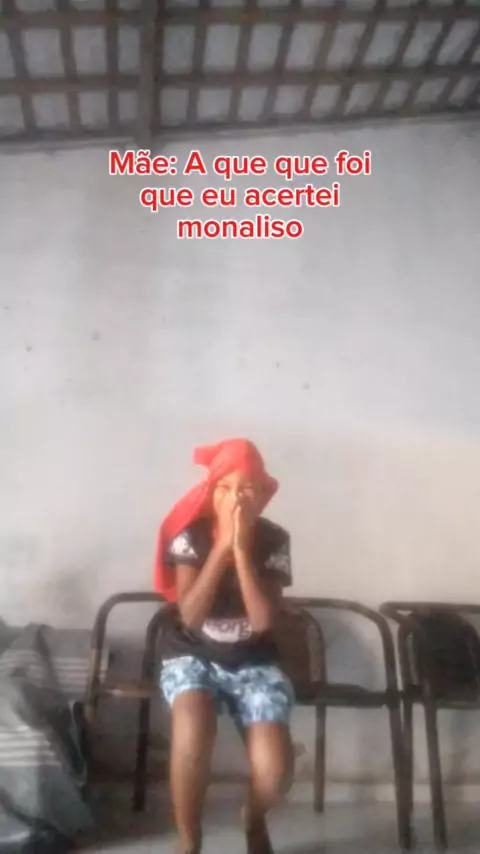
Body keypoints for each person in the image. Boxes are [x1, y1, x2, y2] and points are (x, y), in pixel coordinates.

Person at [154, 439, 294, 854]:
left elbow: (263, 621)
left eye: (248, 488)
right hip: (192, 654)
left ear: (263, 496)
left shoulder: (274, 540)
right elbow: (191, 615)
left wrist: (242, 552)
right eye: (226, 487)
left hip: (254, 660)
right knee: (193, 728)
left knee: (276, 774)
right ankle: (189, 839)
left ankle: (252, 816)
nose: (237, 498)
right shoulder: (191, 536)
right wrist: (220, 549)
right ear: (211, 492)